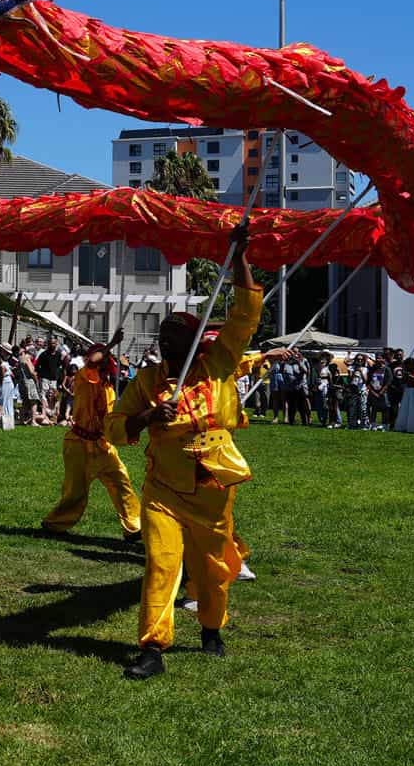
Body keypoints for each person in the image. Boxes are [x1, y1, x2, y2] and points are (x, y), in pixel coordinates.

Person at [109, 221, 259, 681]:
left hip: (212, 488)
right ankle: (153, 646)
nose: (165, 344)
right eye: (163, 338)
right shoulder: (147, 381)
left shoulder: (219, 364)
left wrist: (239, 257)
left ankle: (212, 628)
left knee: (212, 570)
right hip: (162, 490)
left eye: (174, 338)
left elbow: (244, 315)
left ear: (194, 342)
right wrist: (146, 417)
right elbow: (115, 427)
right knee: (161, 563)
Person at [40, 331, 141, 540]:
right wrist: (112, 343)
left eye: (106, 365)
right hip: (79, 445)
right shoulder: (84, 377)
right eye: (103, 363)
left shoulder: (109, 389)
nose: (104, 369)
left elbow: (109, 420)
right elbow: (93, 361)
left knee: (122, 483)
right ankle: (54, 524)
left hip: (103, 446)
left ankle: (134, 527)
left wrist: (126, 433)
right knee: (76, 492)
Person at [394, 357, 414, 434]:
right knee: (405, 408)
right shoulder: (406, 371)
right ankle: (403, 426)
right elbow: (403, 381)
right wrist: (405, 377)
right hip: (408, 391)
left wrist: (411, 377)